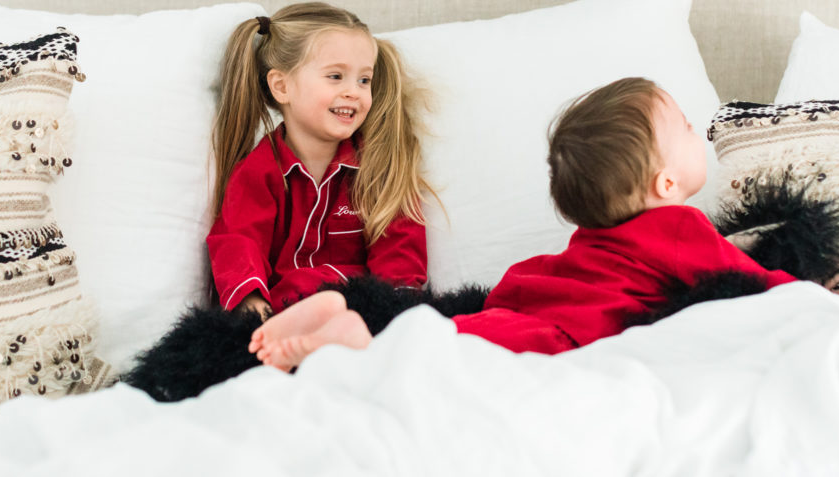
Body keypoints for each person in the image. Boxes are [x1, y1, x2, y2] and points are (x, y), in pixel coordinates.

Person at [249, 77, 800, 371]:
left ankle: (343, 327)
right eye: (683, 126)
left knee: (445, 340)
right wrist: (821, 296)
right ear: (664, 184)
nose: (694, 129)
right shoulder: (680, 228)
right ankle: (351, 341)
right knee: (443, 361)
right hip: (560, 336)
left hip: (525, 302)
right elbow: (757, 286)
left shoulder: (596, 237)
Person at [206, 2, 434, 319]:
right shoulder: (259, 172)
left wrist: (397, 311)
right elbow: (238, 241)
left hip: (361, 312)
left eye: (364, 80)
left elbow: (400, 248)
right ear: (282, 86)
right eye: (336, 76)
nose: (353, 92)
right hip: (287, 315)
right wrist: (251, 300)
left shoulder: (380, 166)